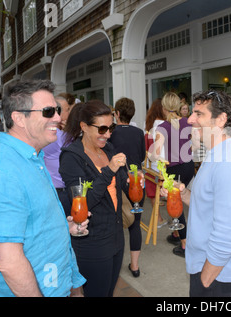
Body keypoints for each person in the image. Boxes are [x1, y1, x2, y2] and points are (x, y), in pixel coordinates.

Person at [0, 80, 86, 297]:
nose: (58, 117)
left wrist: (61, 227)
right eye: (48, 111)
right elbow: (9, 262)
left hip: (57, 284)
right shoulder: (4, 169)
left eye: (56, 110)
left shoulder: (31, 157)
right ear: (19, 118)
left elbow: (29, 223)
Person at [162, 90, 231, 297]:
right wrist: (183, 193)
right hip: (209, 268)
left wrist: (205, 278)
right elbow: (207, 204)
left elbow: (228, 232)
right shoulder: (216, 153)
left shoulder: (229, 162)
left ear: (221, 119)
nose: (190, 119)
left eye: (199, 114)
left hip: (218, 276)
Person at [59, 100, 134, 296]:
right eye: (102, 129)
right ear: (83, 126)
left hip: (116, 235)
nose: (108, 134)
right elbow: (84, 203)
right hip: (93, 240)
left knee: (108, 292)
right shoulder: (71, 158)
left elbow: (118, 185)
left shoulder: (108, 148)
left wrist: (131, 182)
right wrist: (109, 170)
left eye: (111, 128)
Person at [151, 92, 194, 257]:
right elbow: (195, 144)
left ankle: (184, 243)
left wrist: (152, 156)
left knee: (176, 203)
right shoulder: (187, 123)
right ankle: (177, 234)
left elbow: (156, 153)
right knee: (181, 198)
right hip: (189, 166)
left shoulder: (163, 127)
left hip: (175, 169)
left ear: (164, 108)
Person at [109, 97, 145, 278]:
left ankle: (113, 264)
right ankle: (135, 266)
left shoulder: (111, 133)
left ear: (116, 113)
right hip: (137, 180)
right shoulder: (139, 133)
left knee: (116, 222)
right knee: (135, 224)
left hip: (116, 182)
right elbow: (142, 156)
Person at [43, 93, 76, 215]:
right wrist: (70, 131)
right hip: (62, 192)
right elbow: (78, 151)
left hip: (49, 189)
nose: (69, 113)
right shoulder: (59, 136)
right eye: (67, 110)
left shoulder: (45, 133)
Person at [144, 98, 167, 226]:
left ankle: (158, 218)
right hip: (163, 162)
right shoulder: (164, 124)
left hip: (151, 163)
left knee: (154, 192)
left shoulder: (149, 124)